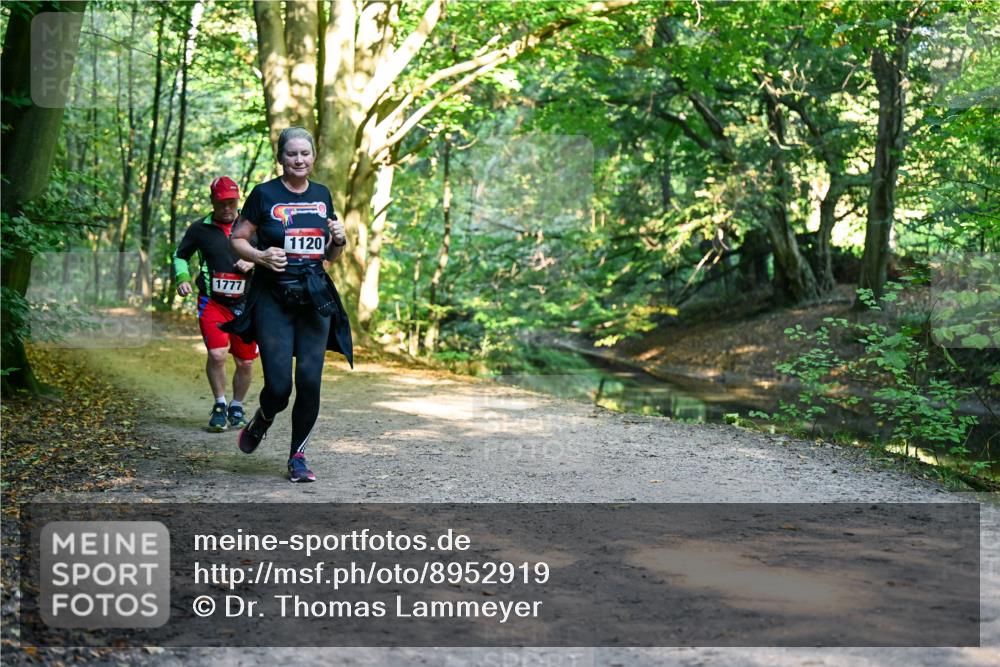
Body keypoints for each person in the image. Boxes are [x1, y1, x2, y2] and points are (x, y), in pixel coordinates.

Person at [224, 126, 353, 483]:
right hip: (273, 298)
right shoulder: (264, 194)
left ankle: (298, 455)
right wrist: (262, 256)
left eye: (305, 154)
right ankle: (263, 417)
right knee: (279, 388)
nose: (299, 160)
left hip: (313, 298)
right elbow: (238, 239)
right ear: (281, 158)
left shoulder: (323, 194)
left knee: (310, 381)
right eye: (291, 154)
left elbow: (331, 256)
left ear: (313, 157)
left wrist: (339, 241)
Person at [173, 176, 258, 432]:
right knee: (217, 354)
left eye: (232, 202)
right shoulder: (200, 229)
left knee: (245, 362)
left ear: (238, 200)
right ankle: (220, 404)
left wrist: (254, 261)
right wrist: (183, 277)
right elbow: (180, 256)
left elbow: (272, 255)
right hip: (212, 302)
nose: (227, 207)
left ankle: (237, 406)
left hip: (247, 304)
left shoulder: (254, 228)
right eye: (221, 202)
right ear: (212, 200)